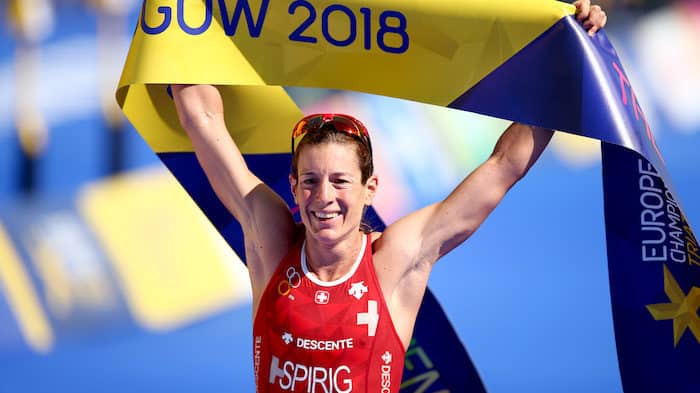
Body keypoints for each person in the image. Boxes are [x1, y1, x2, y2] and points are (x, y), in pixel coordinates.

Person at [171, 2, 607, 391]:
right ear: (294, 187)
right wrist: (177, 24)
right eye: (310, 181)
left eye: (340, 182)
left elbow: (504, 166)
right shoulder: (269, 241)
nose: (323, 197)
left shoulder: (394, 260)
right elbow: (202, 118)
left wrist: (567, 61)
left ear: (370, 190)